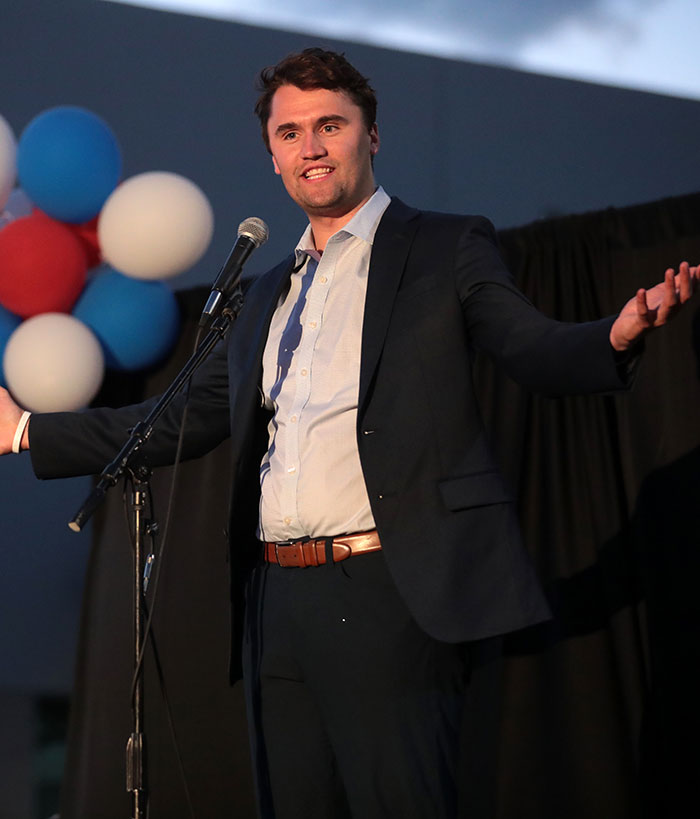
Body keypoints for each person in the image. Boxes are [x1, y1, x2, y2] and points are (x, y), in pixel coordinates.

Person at [0, 48, 697, 819]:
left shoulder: (445, 246)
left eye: (330, 125)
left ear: (371, 135)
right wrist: (29, 429)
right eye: (291, 132)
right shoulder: (264, 294)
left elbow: (527, 344)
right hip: (275, 597)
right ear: (273, 156)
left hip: (387, 587)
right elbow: (176, 418)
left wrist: (615, 336)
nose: (312, 147)